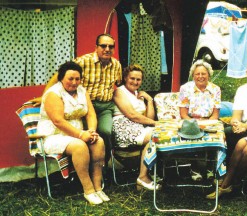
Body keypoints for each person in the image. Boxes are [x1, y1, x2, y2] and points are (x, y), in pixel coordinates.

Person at [30, 34, 122, 163]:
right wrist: (44, 96)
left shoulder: (117, 65)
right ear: (96, 47)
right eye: (103, 46)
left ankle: (102, 166)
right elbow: (60, 75)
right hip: (84, 106)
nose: (107, 49)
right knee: (84, 137)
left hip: (105, 106)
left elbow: (118, 85)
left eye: (111, 46)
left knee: (105, 132)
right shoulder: (83, 61)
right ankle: (84, 168)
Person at [37, 61, 109, 205]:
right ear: (61, 78)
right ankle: (88, 190)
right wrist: (81, 135)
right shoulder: (53, 93)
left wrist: (92, 131)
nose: (74, 82)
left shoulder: (82, 91)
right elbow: (58, 121)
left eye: (77, 79)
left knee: (99, 142)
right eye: (70, 78)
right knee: (79, 146)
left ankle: (97, 186)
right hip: (54, 136)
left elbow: (90, 115)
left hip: (77, 133)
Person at [112, 64, 161, 190]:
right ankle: (143, 176)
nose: (135, 82)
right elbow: (132, 115)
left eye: (138, 79)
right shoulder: (119, 91)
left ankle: (146, 174)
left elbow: (149, 118)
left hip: (137, 127)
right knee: (155, 134)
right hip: (123, 127)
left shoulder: (137, 94)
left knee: (159, 133)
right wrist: (155, 123)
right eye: (132, 78)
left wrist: (149, 100)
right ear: (125, 78)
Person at [178, 59, 221, 181]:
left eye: (204, 74)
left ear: (209, 75)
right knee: (192, 133)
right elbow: (183, 113)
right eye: (197, 74)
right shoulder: (185, 89)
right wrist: (194, 124)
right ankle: (194, 168)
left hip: (209, 120)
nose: (200, 76)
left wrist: (207, 124)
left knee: (215, 134)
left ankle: (210, 167)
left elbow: (215, 114)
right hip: (190, 120)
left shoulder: (215, 89)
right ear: (193, 75)